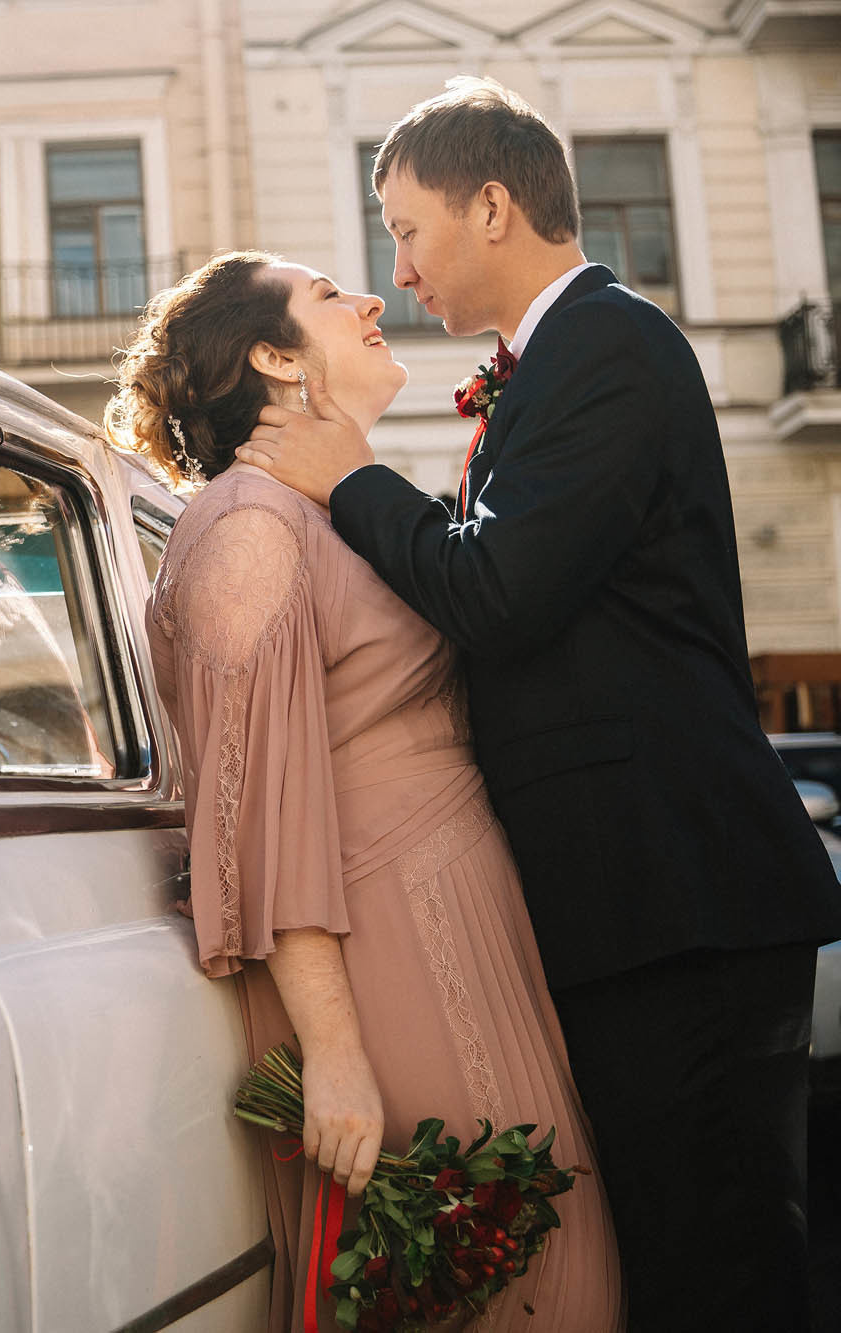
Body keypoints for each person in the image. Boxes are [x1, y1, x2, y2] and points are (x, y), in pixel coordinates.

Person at [234, 77, 841, 1332]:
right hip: (635, 910)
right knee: (683, 1261)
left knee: (716, 1267)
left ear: (493, 206)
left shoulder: (609, 345)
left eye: (404, 229)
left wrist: (350, 476)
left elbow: (498, 588)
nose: (397, 271)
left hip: (678, 906)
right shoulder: (556, 361)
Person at [111, 250, 622, 1332]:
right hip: (382, 962)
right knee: (498, 1285)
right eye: (329, 294)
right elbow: (251, 813)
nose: (372, 299)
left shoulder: (327, 512)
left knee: (549, 1279)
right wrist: (335, 1056)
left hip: (461, 930)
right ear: (273, 357)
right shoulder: (249, 529)